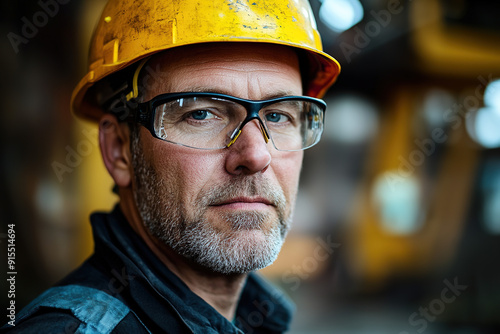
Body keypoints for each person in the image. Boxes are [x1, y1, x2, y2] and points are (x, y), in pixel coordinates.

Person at [2, 0, 340, 332]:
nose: (255, 155)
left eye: (279, 115)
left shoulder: (256, 320)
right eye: (201, 114)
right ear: (119, 150)